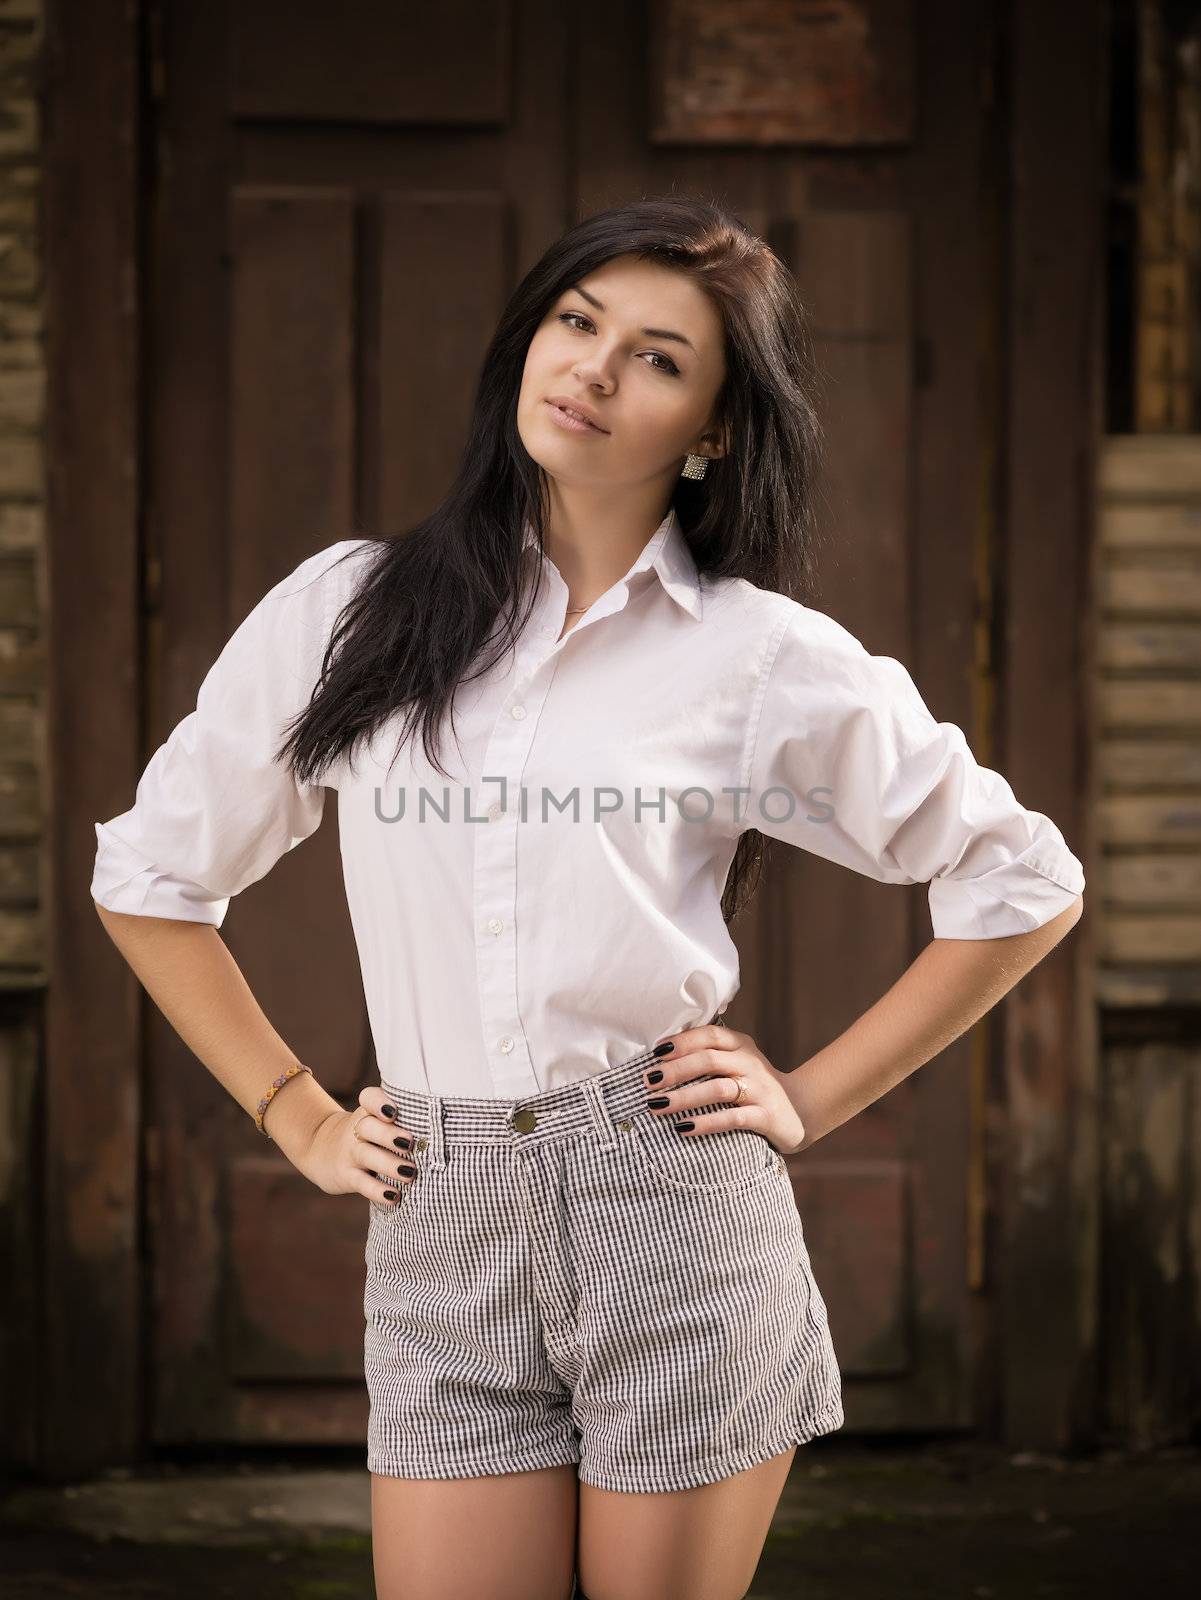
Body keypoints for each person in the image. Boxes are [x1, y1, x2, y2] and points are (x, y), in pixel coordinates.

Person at [91, 194, 1085, 1600]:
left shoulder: (755, 659)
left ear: (715, 431)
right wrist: (292, 1109)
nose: (594, 370)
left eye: (658, 358)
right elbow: (150, 873)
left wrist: (809, 1095)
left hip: (667, 1210)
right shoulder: (349, 611)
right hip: (444, 1209)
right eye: (576, 322)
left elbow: (1021, 877)